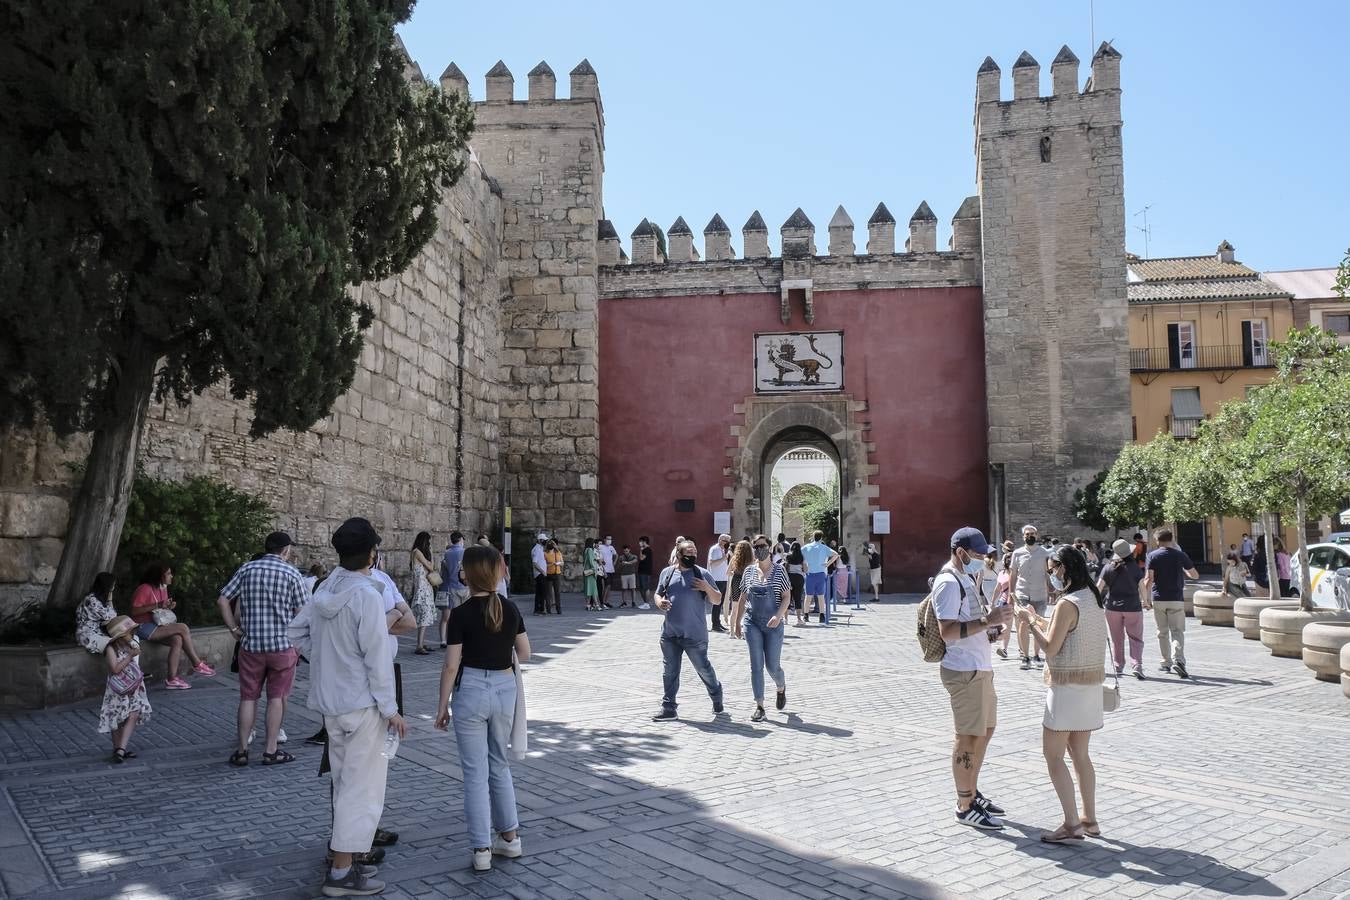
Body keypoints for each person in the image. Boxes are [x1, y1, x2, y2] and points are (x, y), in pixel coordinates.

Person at [287, 517, 404, 898]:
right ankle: (340, 874)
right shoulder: (367, 596)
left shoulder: (325, 587)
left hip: (331, 705)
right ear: (371, 552)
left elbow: (295, 632)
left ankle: (344, 865)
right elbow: (376, 658)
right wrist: (391, 709)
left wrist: (324, 660)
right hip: (362, 704)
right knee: (362, 791)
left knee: (344, 785)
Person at [434, 545, 531, 872]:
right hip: (505, 688)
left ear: (469, 574)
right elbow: (526, 653)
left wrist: (442, 706)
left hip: (472, 689)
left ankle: (481, 850)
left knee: (474, 773)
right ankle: (510, 838)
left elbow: (450, 665)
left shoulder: (460, 614)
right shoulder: (510, 608)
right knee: (498, 764)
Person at [1015, 545, 1105, 843]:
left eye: (1052, 569)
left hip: (1066, 687)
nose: (1050, 574)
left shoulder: (1067, 603)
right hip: (1090, 685)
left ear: (1063, 568)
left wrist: (1028, 622)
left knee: (1053, 756)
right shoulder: (1092, 597)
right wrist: (1037, 618)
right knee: (1080, 754)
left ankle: (1070, 823)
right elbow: (1066, 632)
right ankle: (1089, 819)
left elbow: (1051, 648)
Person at [934, 527, 1013, 830]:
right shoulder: (948, 582)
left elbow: (969, 622)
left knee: (985, 730)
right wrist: (987, 620)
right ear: (961, 552)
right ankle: (964, 804)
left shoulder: (966, 577)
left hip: (979, 665)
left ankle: (972, 789)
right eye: (978, 555)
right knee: (967, 737)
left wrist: (989, 630)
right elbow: (948, 631)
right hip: (964, 669)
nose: (983, 559)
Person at [218, 531, 308, 766]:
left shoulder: (247, 569)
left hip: (251, 645)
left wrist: (233, 629)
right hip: (281, 646)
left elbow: (223, 599)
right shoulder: (292, 573)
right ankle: (271, 750)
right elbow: (302, 614)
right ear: (286, 550)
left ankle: (241, 750)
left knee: (248, 698)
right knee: (276, 698)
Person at [651, 539, 725, 721]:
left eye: (694, 553)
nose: (692, 556)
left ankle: (716, 694)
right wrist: (659, 602)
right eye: (688, 553)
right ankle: (669, 707)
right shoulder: (667, 573)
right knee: (670, 671)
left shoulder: (702, 574)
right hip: (670, 634)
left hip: (695, 635)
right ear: (678, 554)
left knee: (703, 669)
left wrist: (706, 587)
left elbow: (717, 600)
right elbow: (658, 593)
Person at [731, 535, 790, 722]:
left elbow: (787, 596)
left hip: (773, 624)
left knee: (772, 666)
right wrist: (737, 622)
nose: (759, 549)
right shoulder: (748, 571)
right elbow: (742, 598)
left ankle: (780, 687)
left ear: (770, 547)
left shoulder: (780, 571)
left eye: (762, 546)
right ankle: (760, 705)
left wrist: (778, 616)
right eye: (756, 546)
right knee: (756, 665)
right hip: (752, 622)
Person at [128, 562, 215, 689]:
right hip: (142, 626)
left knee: (177, 639)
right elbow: (134, 611)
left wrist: (167, 606)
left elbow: (160, 609)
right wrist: (158, 605)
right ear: (159, 576)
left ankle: (172, 679)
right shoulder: (145, 589)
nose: (171, 576)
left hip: (156, 625)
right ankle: (197, 663)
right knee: (183, 627)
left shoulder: (163, 589)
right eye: (168, 573)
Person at [1142, 528, 1198, 679]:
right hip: (1176, 599)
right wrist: (1183, 569)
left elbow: (1148, 579)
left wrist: (1145, 599)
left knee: (1162, 632)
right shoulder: (1180, 555)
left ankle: (1165, 662)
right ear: (1171, 539)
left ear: (1157, 540)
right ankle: (1178, 660)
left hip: (1158, 598)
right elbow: (1194, 575)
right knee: (1177, 631)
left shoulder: (1152, 555)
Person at [99, 615, 152, 763]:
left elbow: (134, 666)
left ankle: (121, 749)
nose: (133, 635)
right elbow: (115, 669)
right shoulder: (111, 649)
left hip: (133, 687)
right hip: (117, 689)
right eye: (130, 633)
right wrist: (129, 656)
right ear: (120, 636)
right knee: (118, 718)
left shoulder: (131, 645)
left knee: (133, 714)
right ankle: (118, 750)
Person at [1097, 539, 1145, 679]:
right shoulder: (1135, 568)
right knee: (1136, 638)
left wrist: (1094, 602)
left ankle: (1118, 665)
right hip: (1133, 607)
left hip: (1112, 607)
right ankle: (1136, 664)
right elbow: (1142, 587)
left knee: (1116, 638)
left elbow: (1098, 587)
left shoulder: (1108, 568)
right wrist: (1146, 602)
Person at [1008, 524, 1051, 670]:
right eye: (1027, 534)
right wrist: (1010, 594)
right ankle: (1025, 657)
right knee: (1023, 624)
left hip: (1039, 594)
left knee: (1038, 626)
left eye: (1032, 534)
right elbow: (1013, 574)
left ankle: (1036, 655)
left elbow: (1048, 574)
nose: (1030, 536)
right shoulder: (1017, 553)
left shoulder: (1045, 553)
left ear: (1037, 535)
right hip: (1022, 594)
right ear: (1023, 537)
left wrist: (1051, 590)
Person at [800, 531, 840, 625]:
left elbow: (798, 554)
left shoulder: (806, 547)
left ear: (813, 537)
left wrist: (804, 564)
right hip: (821, 573)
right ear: (821, 538)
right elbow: (836, 554)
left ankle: (806, 615)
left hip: (810, 573)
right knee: (821, 596)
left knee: (808, 596)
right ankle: (822, 616)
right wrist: (827, 564)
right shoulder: (824, 547)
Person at [76, 572, 120, 654]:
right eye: (112, 586)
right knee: (116, 646)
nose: (113, 588)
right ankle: (117, 666)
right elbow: (112, 616)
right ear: (107, 586)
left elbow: (110, 617)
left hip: (95, 632)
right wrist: (110, 599)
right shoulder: (92, 600)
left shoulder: (96, 599)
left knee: (123, 644)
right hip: (87, 635)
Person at [410, 532, 438, 655]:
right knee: (424, 616)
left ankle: (421, 643)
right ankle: (419, 645)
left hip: (425, 588)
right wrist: (431, 553)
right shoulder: (417, 552)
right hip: (422, 590)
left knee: (425, 616)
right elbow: (431, 567)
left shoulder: (417, 552)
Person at [441, 531, 469, 635]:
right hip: (464, 585)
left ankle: (454, 636)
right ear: (461, 539)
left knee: (455, 614)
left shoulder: (447, 553)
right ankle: (465, 635)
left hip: (452, 586)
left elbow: (446, 570)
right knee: (466, 614)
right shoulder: (465, 552)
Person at [707, 534, 732, 632]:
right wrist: (724, 558)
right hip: (716, 579)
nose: (727, 544)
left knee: (720, 603)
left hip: (723, 579)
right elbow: (712, 563)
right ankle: (715, 625)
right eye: (726, 541)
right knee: (716, 602)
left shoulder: (722, 550)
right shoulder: (715, 549)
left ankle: (718, 622)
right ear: (721, 540)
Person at [787, 541, 806, 625]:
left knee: (787, 598)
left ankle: (785, 619)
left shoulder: (788, 556)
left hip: (789, 577)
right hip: (799, 578)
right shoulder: (802, 557)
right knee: (798, 598)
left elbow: (786, 568)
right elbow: (805, 569)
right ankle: (799, 619)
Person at [530, 533, 549, 615]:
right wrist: (542, 571)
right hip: (539, 574)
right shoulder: (537, 549)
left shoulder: (540, 548)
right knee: (541, 592)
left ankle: (540, 609)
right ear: (540, 540)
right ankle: (539, 609)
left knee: (540, 592)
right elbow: (535, 563)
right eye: (544, 540)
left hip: (540, 573)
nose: (545, 541)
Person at [544, 539, 564, 614]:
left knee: (557, 592)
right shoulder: (545, 554)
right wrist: (551, 564)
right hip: (549, 574)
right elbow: (544, 565)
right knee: (548, 592)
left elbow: (562, 563)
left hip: (557, 574)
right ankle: (548, 609)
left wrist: (558, 563)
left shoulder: (558, 553)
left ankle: (558, 609)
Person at [597, 535, 617, 609]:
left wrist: (614, 562)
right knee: (606, 585)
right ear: (604, 539)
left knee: (609, 586)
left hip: (611, 569)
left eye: (610, 539)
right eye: (608, 539)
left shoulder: (611, 547)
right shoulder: (600, 547)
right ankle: (602, 602)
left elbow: (616, 555)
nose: (609, 540)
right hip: (604, 570)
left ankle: (606, 601)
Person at [583, 538, 601, 611]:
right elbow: (591, 561)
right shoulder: (590, 550)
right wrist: (594, 569)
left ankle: (588, 604)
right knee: (593, 589)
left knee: (589, 589)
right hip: (591, 572)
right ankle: (596, 605)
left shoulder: (585, 550)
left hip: (587, 571)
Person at [636, 536, 654, 609]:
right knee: (642, 588)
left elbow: (641, 558)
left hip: (645, 571)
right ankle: (645, 603)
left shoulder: (647, 550)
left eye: (640, 541)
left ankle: (647, 604)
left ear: (644, 542)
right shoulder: (646, 549)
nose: (639, 543)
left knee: (645, 587)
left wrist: (640, 550)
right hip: (642, 570)